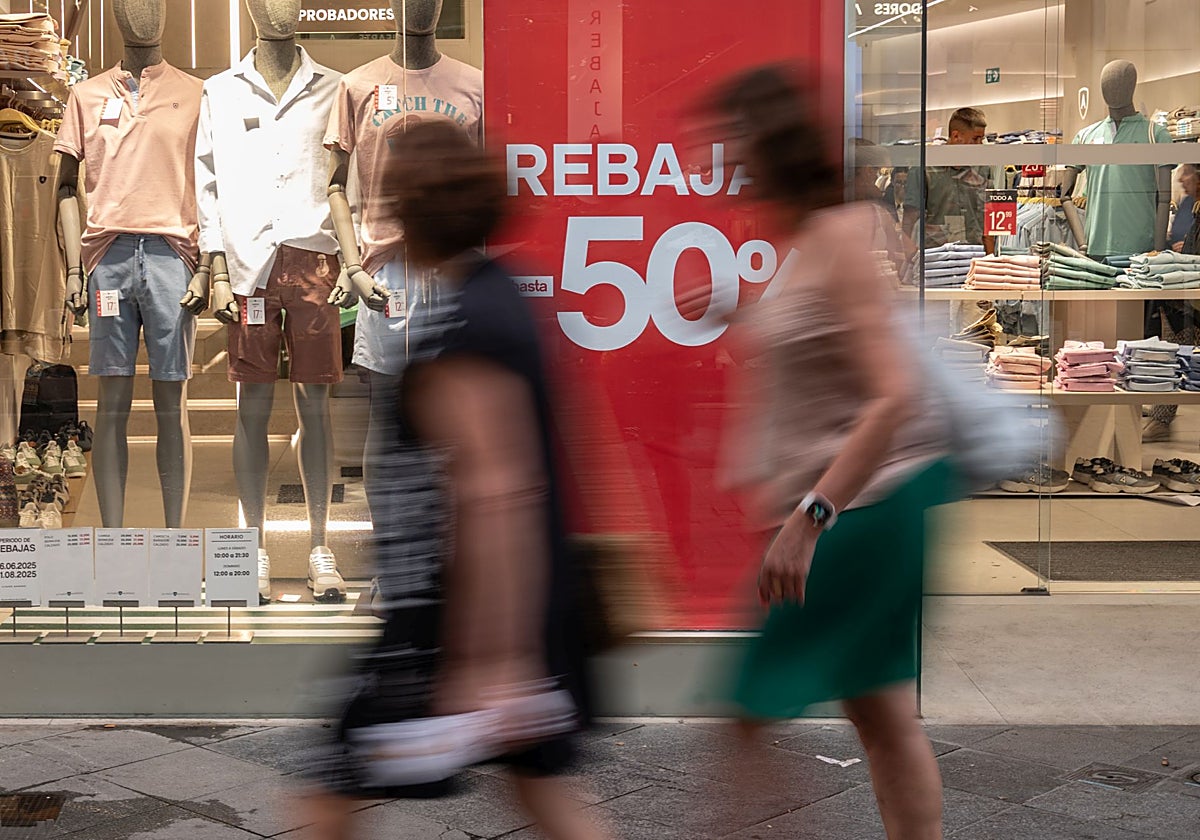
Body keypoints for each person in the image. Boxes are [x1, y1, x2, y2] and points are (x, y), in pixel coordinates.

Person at [302, 119, 607, 840]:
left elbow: (497, 493)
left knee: (327, 801)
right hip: (486, 621)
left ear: (412, 213)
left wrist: (496, 661)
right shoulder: (495, 299)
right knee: (546, 798)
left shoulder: (472, 326)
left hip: (445, 632)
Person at [710, 66, 953, 840]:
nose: (726, 162)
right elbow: (823, 347)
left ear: (772, 147)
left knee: (750, 712)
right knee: (879, 713)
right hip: (865, 509)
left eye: (735, 144)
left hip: (860, 513)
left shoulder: (841, 236)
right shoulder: (812, 239)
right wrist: (741, 312)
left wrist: (810, 519)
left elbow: (893, 393)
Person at [1144, 163, 1200, 442]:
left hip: (1192, 294)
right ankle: (1161, 416)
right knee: (1172, 352)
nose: (1180, 177)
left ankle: (1161, 418)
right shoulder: (1191, 204)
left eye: (1188, 172)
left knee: (1181, 353)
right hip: (1182, 295)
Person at [902, 106, 994, 254]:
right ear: (956, 136)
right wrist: (912, 259)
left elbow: (988, 219)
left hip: (974, 255)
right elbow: (909, 221)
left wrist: (990, 259)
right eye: (975, 139)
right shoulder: (925, 169)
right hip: (936, 258)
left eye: (981, 139)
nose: (979, 145)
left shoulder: (982, 170)